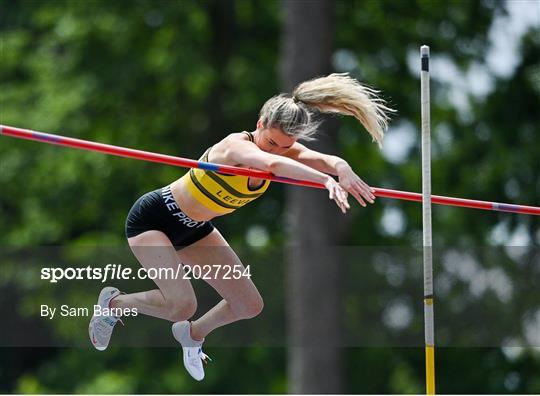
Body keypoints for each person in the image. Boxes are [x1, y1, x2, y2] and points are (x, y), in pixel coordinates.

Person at [88, 73, 393, 381]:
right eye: (270, 142)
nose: (274, 150)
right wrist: (326, 180)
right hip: (154, 220)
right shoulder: (234, 147)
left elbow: (326, 160)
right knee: (181, 305)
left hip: (195, 229)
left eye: (284, 146)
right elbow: (272, 165)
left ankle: (192, 335)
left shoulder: (284, 151)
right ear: (260, 123)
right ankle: (113, 304)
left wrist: (342, 169)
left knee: (248, 304)